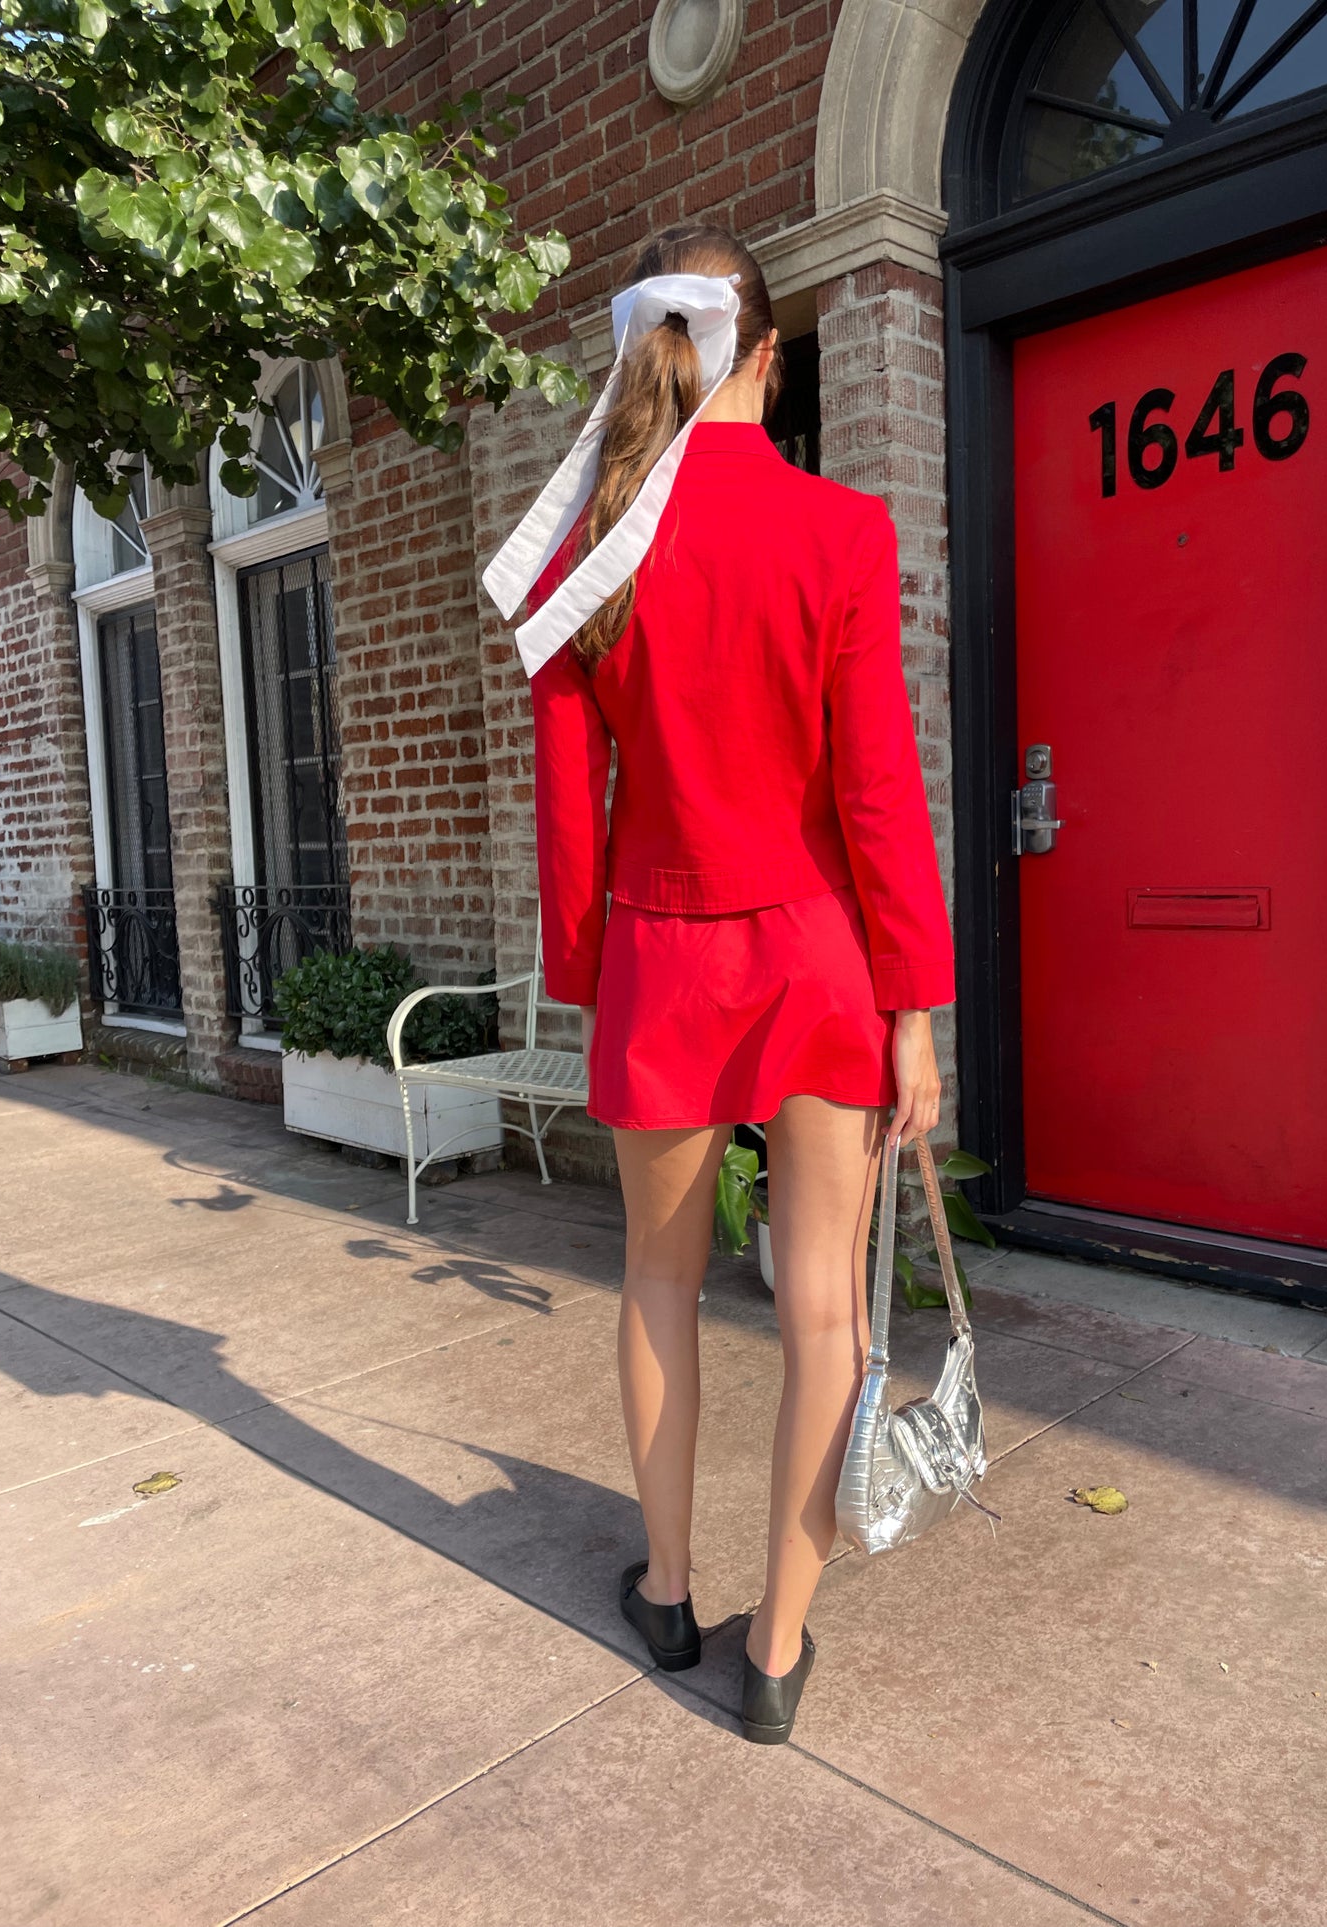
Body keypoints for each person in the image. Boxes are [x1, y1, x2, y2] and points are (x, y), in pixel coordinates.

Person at [482, 222, 955, 1745]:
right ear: (768, 351)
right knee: (823, 1308)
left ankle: (671, 1593)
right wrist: (914, 1006)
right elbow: (877, 788)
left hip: (660, 958)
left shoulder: (586, 557)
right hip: (819, 958)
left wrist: (582, 975)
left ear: (654, 357)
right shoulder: (840, 534)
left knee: (657, 1284)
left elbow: (570, 809)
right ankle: (779, 1654)